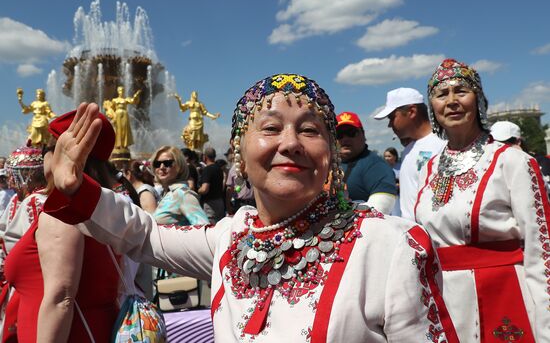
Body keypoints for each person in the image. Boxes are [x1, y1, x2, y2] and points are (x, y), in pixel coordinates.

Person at [41, 73, 458, 342]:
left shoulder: (390, 245)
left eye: (310, 130)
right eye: (271, 128)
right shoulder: (232, 236)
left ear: (330, 153)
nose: (290, 143)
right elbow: (144, 234)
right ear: (240, 154)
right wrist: (78, 189)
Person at [414, 58, 550, 342]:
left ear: (478, 100)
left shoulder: (511, 161)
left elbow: (541, 249)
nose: (451, 101)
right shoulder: (430, 168)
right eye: (441, 94)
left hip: (503, 294)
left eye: (461, 91)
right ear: (433, 108)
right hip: (444, 300)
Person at [3, 111, 122, 342]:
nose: (42, 157)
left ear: (63, 151)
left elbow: (61, 299)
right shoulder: (106, 206)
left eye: (46, 150)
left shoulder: (64, 211)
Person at [374, 87, 445, 221]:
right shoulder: (408, 149)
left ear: (411, 112)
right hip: (413, 234)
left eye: (392, 117)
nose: (389, 124)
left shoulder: (443, 144)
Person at [0, 146, 46, 341]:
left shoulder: (35, 201)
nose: (10, 182)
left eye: (15, 176)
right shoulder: (19, 201)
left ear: (28, 176)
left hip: (31, 287)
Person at [336, 111, 397, 214]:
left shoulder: (376, 166)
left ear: (363, 135)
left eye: (351, 133)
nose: (345, 139)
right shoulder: (329, 164)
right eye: (339, 134)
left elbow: (380, 209)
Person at [151, 146, 209, 226]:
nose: (161, 167)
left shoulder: (182, 194)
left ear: (180, 166)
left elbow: (203, 227)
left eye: (167, 163)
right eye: (157, 164)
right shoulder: (168, 193)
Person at [103, 86, 141, 150]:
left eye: (122, 91)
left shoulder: (126, 99)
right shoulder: (114, 100)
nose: (121, 92)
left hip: (124, 114)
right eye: (120, 91)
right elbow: (111, 108)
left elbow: (134, 101)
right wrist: (111, 114)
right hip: (117, 115)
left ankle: (125, 145)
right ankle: (117, 145)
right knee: (118, 129)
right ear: (118, 91)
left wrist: (136, 95)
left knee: (125, 129)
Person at [198, 147, 225, 223]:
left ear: (205, 157)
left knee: (211, 227)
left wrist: (197, 190)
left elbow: (204, 189)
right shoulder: (219, 169)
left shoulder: (207, 169)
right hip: (219, 202)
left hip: (210, 205)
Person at [384, 147, 401, 216]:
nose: (386, 158)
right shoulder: (383, 168)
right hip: (388, 195)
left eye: (389, 156)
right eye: (385, 156)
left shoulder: (401, 167)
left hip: (399, 196)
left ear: (395, 157)